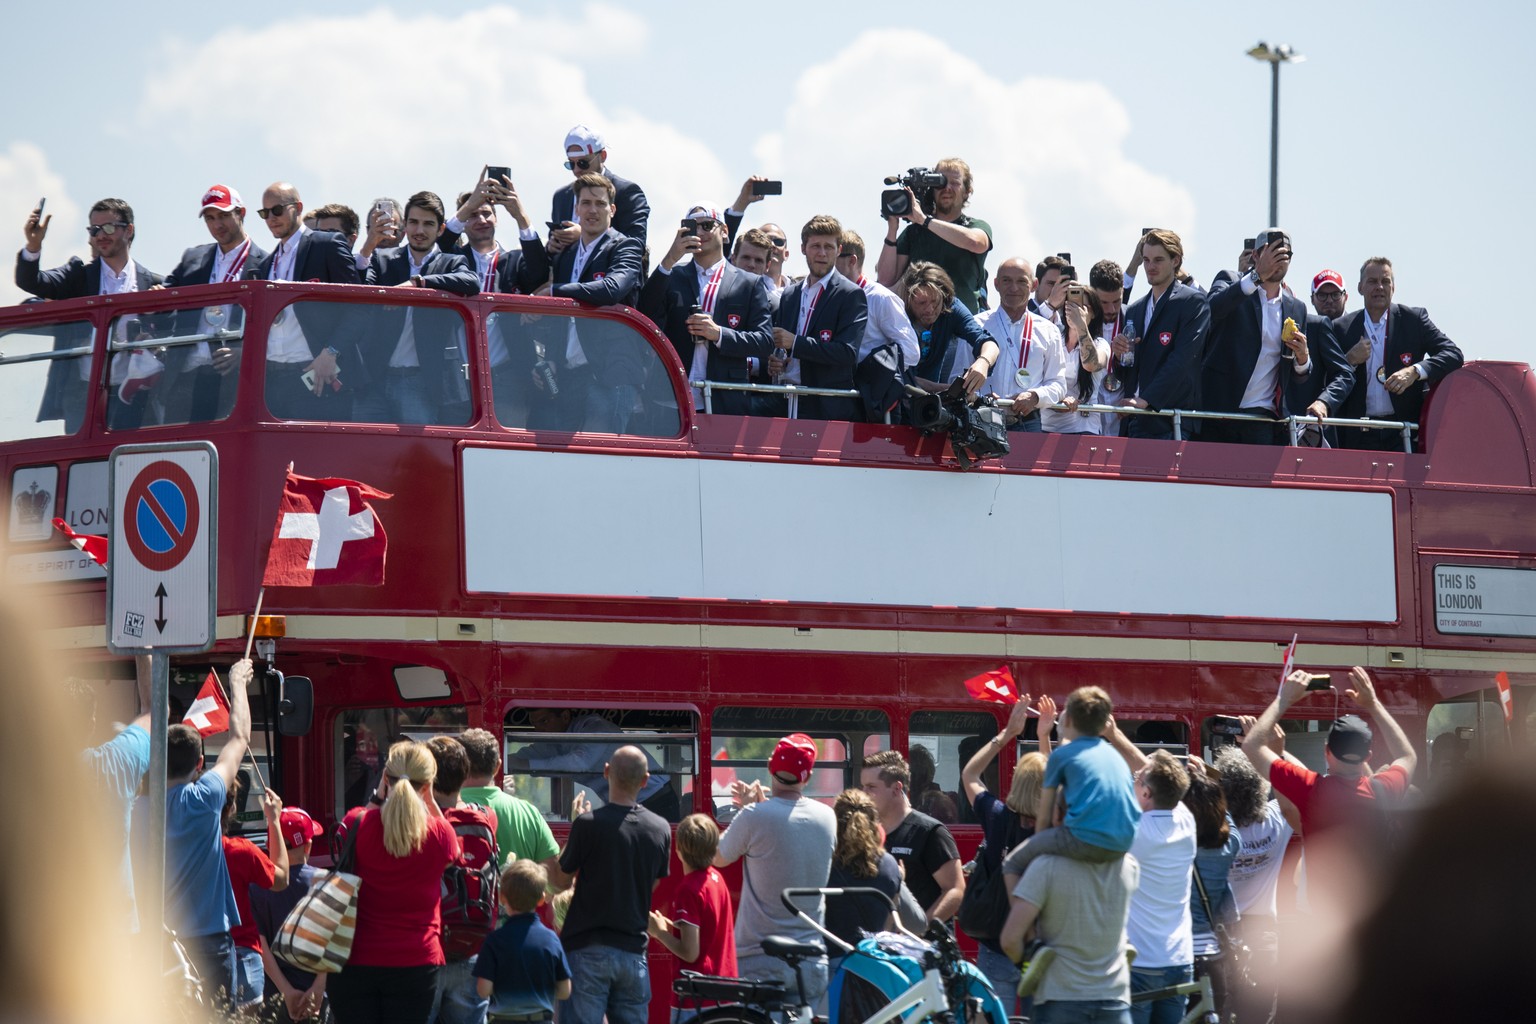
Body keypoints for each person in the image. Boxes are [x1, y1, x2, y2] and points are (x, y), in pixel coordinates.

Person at [140, 658, 253, 1006]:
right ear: (199, 764)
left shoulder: (136, 809)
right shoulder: (206, 799)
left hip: (154, 942)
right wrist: (237, 682)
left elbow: (148, 710)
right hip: (207, 942)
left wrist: (142, 653)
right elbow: (240, 738)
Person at [328, 741, 461, 1024]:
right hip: (416, 960)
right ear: (427, 785)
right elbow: (453, 854)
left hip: (354, 958)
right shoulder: (441, 835)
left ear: (384, 778)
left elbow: (350, 836)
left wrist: (378, 797)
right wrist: (429, 799)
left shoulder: (358, 822)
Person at [546, 746, 672, 1024]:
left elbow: (559, 882)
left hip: (587, 949)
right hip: (632, 950)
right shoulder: (660, 828)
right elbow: (652, 883)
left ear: (606, 773)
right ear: (645, 780)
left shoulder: (587, 825)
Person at [714, 733, 837, 1018]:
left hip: (760, 956)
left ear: (771, 767)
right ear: (808, 776)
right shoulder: (827, 817)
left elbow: (719, 856)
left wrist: (746, 808)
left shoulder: (753, 815)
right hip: (811, 959)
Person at [17, 198, 163, 431]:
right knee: (85, 464)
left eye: (108, 227)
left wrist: (162, 315)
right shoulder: (79, 276)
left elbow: (174, 331)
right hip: (84, 391)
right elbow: (31, 281)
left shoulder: (153, 284)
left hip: (134, 391)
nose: (100, 235)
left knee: (134, 460)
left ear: (129, 230)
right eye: (94, 230)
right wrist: (33, 246)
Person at [999, 793, 1140, 1024]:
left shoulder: (1045, 867)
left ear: (1060, 815)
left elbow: (1009, 939)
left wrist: (1028, 962)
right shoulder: (1129, 865)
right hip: (1115, 999)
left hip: (1059, 998)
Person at [1241, 667, 1416, 853]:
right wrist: (1373, 704)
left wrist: (1284, 699)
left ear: (1326, 751)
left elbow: (1251, 746)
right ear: (1367, 757)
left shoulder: (1310, 788)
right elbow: (1407, 755)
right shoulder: (1384, 789)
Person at [960, 696, 1054, 1010]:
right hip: (1038, 949)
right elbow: (1055, 785)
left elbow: (970, 775)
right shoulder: (1054, 825)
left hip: (997, 943)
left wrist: (1008, 733)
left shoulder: (998, 817)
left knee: (992, 1014)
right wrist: (1043, 737)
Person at [1202, 229, 1338, 445]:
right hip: (1218, 412)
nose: (1278, 260)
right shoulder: (1231, 280)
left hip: (1262, 419)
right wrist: (1256, 276)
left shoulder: (1296, 307)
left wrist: (1303, 359)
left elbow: (1297, 374)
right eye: (1271, 252)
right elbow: (1210, 313)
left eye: (1284, 255)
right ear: (1255, 255)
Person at [358, 190, 480, 425]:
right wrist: (368, 245)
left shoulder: (451, 262)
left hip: (421, 381)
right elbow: (357, 284)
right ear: (404, 226)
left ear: (441, 229)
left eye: (428, 224)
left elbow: (471, 282)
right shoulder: (383, 258)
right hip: (374, 379)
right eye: (413, 222)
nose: (419, 231)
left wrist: (418, 284)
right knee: (365, 455)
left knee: (415, 456)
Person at [535, 173, 645, 433]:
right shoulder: (566, 256)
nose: (592, 210)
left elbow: (612, 289)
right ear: (576, 209)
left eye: (600, 203)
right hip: (570, 375)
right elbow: (559, 319)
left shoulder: (626, 246)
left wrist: (554, 291)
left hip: (611, 374)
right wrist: (551, 358)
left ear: (613, 209)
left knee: (603, 460)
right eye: (586, 203)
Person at [640, 204, 775, 415]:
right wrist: (670, 259)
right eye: (692, 227)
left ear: (725, 231)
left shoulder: (750, 283)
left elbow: (765, 343)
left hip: (724, 399)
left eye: (707, 225)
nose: (700, 232)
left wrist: (719, 334)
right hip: (670, 398)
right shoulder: (672, 274)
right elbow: (643, 312)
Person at [1101, 728, 1196, 1024]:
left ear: (1145, 793)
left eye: (1136, 780)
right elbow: (1162, 781)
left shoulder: (1133, 832)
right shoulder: (1186, 820)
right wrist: (1115, 734)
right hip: (1180, 959)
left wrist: (1112, 736)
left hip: (1141, 961)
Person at [247, 181, 363, 420]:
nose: (271, 218)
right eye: (264, 213)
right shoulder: (265, 265)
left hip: (316, 374)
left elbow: (360, 307)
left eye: (277, 210)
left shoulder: (327, 244)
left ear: (298, 208)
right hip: (271, 380)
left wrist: (331, 353)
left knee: (320, 456)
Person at [155, 184, 269, 424]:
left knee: (226, 457)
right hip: (186, 377)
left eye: (224, 215)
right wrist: (155, 297)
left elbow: (273, 327)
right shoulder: (192, 258)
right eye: (210, 218)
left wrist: (243, 353)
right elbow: (162, 308)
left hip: (233, 380)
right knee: (177, 456)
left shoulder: (265, 264)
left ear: (242, 213)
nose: (217, 224)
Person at [1004, 687, 1140, 882]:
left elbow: (1046, 811)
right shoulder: (1115, 757)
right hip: (1120, 844)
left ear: (1068, 721)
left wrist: (1042, 845)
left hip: (1085, 840)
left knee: (1012, 864)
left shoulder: (1063, 755)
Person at [1332, 257, 1464, 450]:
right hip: (1357, 435)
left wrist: (1415, 371)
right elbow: (1326, 378)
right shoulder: (1341, 328)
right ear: (1360, 287)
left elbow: (1453, 354)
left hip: (1403, 433)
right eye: (1372, 281)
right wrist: (1350, 360)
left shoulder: (1413, 320)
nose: (1379, 287)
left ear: (1393, 287)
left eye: (1385, 281)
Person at [1213, 741, 1297, 1024]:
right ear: (1259, 787)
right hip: (1263, 934)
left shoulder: (1212, 830)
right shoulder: (1277, 819)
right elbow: (1304, 788)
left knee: (1219, 1008)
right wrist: (1277, 752)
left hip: (1219, 930)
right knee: (1258, 1013)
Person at [425, 735, 499, 1024]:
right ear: (466, 774)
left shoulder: (420, 824)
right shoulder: (486, 817)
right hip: (473, 945)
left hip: (429, 947)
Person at [769, 215, 868, 421]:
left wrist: (796, 343)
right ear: (803, 248)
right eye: (815, 246)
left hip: (824, 407)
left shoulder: (851, 294)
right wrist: (776, 361)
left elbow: (847, 353)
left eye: (828, 247)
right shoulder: (790, 294)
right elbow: (782, 347)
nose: (822, 253)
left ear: (839, 250)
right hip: (785, 400)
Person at [1116, 230, 1210, 439]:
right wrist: (1119, 354)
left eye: (1158, 260)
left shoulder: (1192, 302)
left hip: (1172, 421)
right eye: (1147, 260)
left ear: (1175, 260)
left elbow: (1183, 359)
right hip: (1134, 419)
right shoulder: (1135, 309)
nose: (1150, 267)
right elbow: (1129, 369)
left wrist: (1147, 399)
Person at [83, 655, 152, 934]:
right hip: (116, 933)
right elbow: (153, 709)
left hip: (51, 941)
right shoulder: (115, 763)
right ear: (91, 721)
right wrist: (144, 645)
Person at [505, 708, 676, 820]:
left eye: (544, 721)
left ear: (565, 716)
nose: (539, 730)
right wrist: (500, 762)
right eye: (535, 725)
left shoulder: (595, 727)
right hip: (625, 805)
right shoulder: (554, 741)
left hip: (657, 800)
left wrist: (527, 764)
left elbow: (579, 763)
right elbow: (524, 756)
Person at [876, 157, 993, 313]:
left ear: (967, 192)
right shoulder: (914, 233)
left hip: (963, 328)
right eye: (941, 182)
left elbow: (976, 243)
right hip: (922, 325)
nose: (947, 188)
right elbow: (885, 280)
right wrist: (892, 229)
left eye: (955, 183)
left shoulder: (975, 226)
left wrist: (924, 220)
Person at [861, 749, 965, 923]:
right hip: (878, 943)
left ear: (896, 788)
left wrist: (921, 929)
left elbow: (955, 889)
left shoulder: (929, 832)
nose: (863, 793)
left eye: (871, 787)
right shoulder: (867, 832)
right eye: (862, 786)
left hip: (919, 945)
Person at [648, 813, 736, 1011]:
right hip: (724, 990)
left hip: (695, 997)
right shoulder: (717, 879)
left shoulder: (687, 890)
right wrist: (670, 926)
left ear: (678, 850)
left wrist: (658, 933)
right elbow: (707, 931)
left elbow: (690, 952)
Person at [250, 806, 329, 1024]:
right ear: (308, 846)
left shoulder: (256, 889)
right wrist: (319, 986)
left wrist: (286, 991)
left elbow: (261, 946)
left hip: (274, 995)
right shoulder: (325, 882)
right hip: (316, 996)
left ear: (269, 845)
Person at [979, 258, 1070, 433]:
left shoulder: (1049, 331)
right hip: (983, 417)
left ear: (1034, 285)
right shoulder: (977, 324)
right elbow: (957, 376)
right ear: (996, 284)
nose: (1014, 288)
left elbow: (1058, 385)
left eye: (1021, 281)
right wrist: (979, 398)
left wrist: (1035, 397)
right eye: (1006, 281)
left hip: (1027, 422)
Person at [223, 780, 291, 1012]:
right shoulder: (241, 851)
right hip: (244, 956)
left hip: (197, 953)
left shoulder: (180, 848)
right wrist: (273, 820)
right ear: (232, 809)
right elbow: (281, 879)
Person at [1181, 760, 1241, 1022]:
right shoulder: (1230, 846)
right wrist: (1208, 784)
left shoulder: (1175, 848)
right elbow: (1226, 817)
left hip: (1179, 955)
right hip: (1213, 957)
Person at [474, 860, 572, 1018]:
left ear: (502, 897)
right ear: (541, 899)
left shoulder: (494, 941)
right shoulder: (551, 940)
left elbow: (483, 989)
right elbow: (565, 991)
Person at [458, 728, 560, 871]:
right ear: (498, 766)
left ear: (459, 765)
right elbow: (557, 882)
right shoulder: (529, 813)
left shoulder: (442, 809)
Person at [901, 262, 997, 395]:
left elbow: (988, 343)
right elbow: (903, 377)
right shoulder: (897, 312)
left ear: (945, 296)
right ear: (908, 300)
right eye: (921, 303)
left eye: (935, 301)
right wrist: (955, 390)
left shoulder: (952, 307)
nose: (929, 309)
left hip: (930, 404)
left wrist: (983, 362)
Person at [442, 176, 549, 295]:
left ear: (496, 219)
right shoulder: (452, 258)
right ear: (462, 224)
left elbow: (540, 274)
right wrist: (468, 207)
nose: (482, 220)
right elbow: (437, 246)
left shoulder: (516, 261)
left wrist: (520, 216)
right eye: (472, 215)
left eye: (486, 213)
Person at [824, 789, 901, 951]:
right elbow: (889, 925)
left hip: (833, 962)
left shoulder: (825, 863)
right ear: (874, 824)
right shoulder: (889, 864)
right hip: (873, 962)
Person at [549, 124, 649, 245]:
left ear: (602, 156)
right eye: (571, 164)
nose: (576, 170)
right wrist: (551, 248)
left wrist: (585, 235)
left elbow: (636, 245)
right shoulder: (562, 197)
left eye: (583, 163)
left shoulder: (626, 192)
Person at [836, 229, 919, 366]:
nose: (826, 263)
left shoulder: (881, 298)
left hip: (868, 385)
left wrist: (869, 372)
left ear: (852, 261)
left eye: (834, 257)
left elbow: (911, 352)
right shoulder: (829, 296)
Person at [1043, 286, 1115, 435]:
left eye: (1081, 307)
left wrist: (1080, 324)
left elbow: (1091, 364)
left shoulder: (1101, 344)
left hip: (1084, 429)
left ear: (1093, 313)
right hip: (1047, 428)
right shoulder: (1053, 339)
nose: (1074, 310)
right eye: (1071, 305)